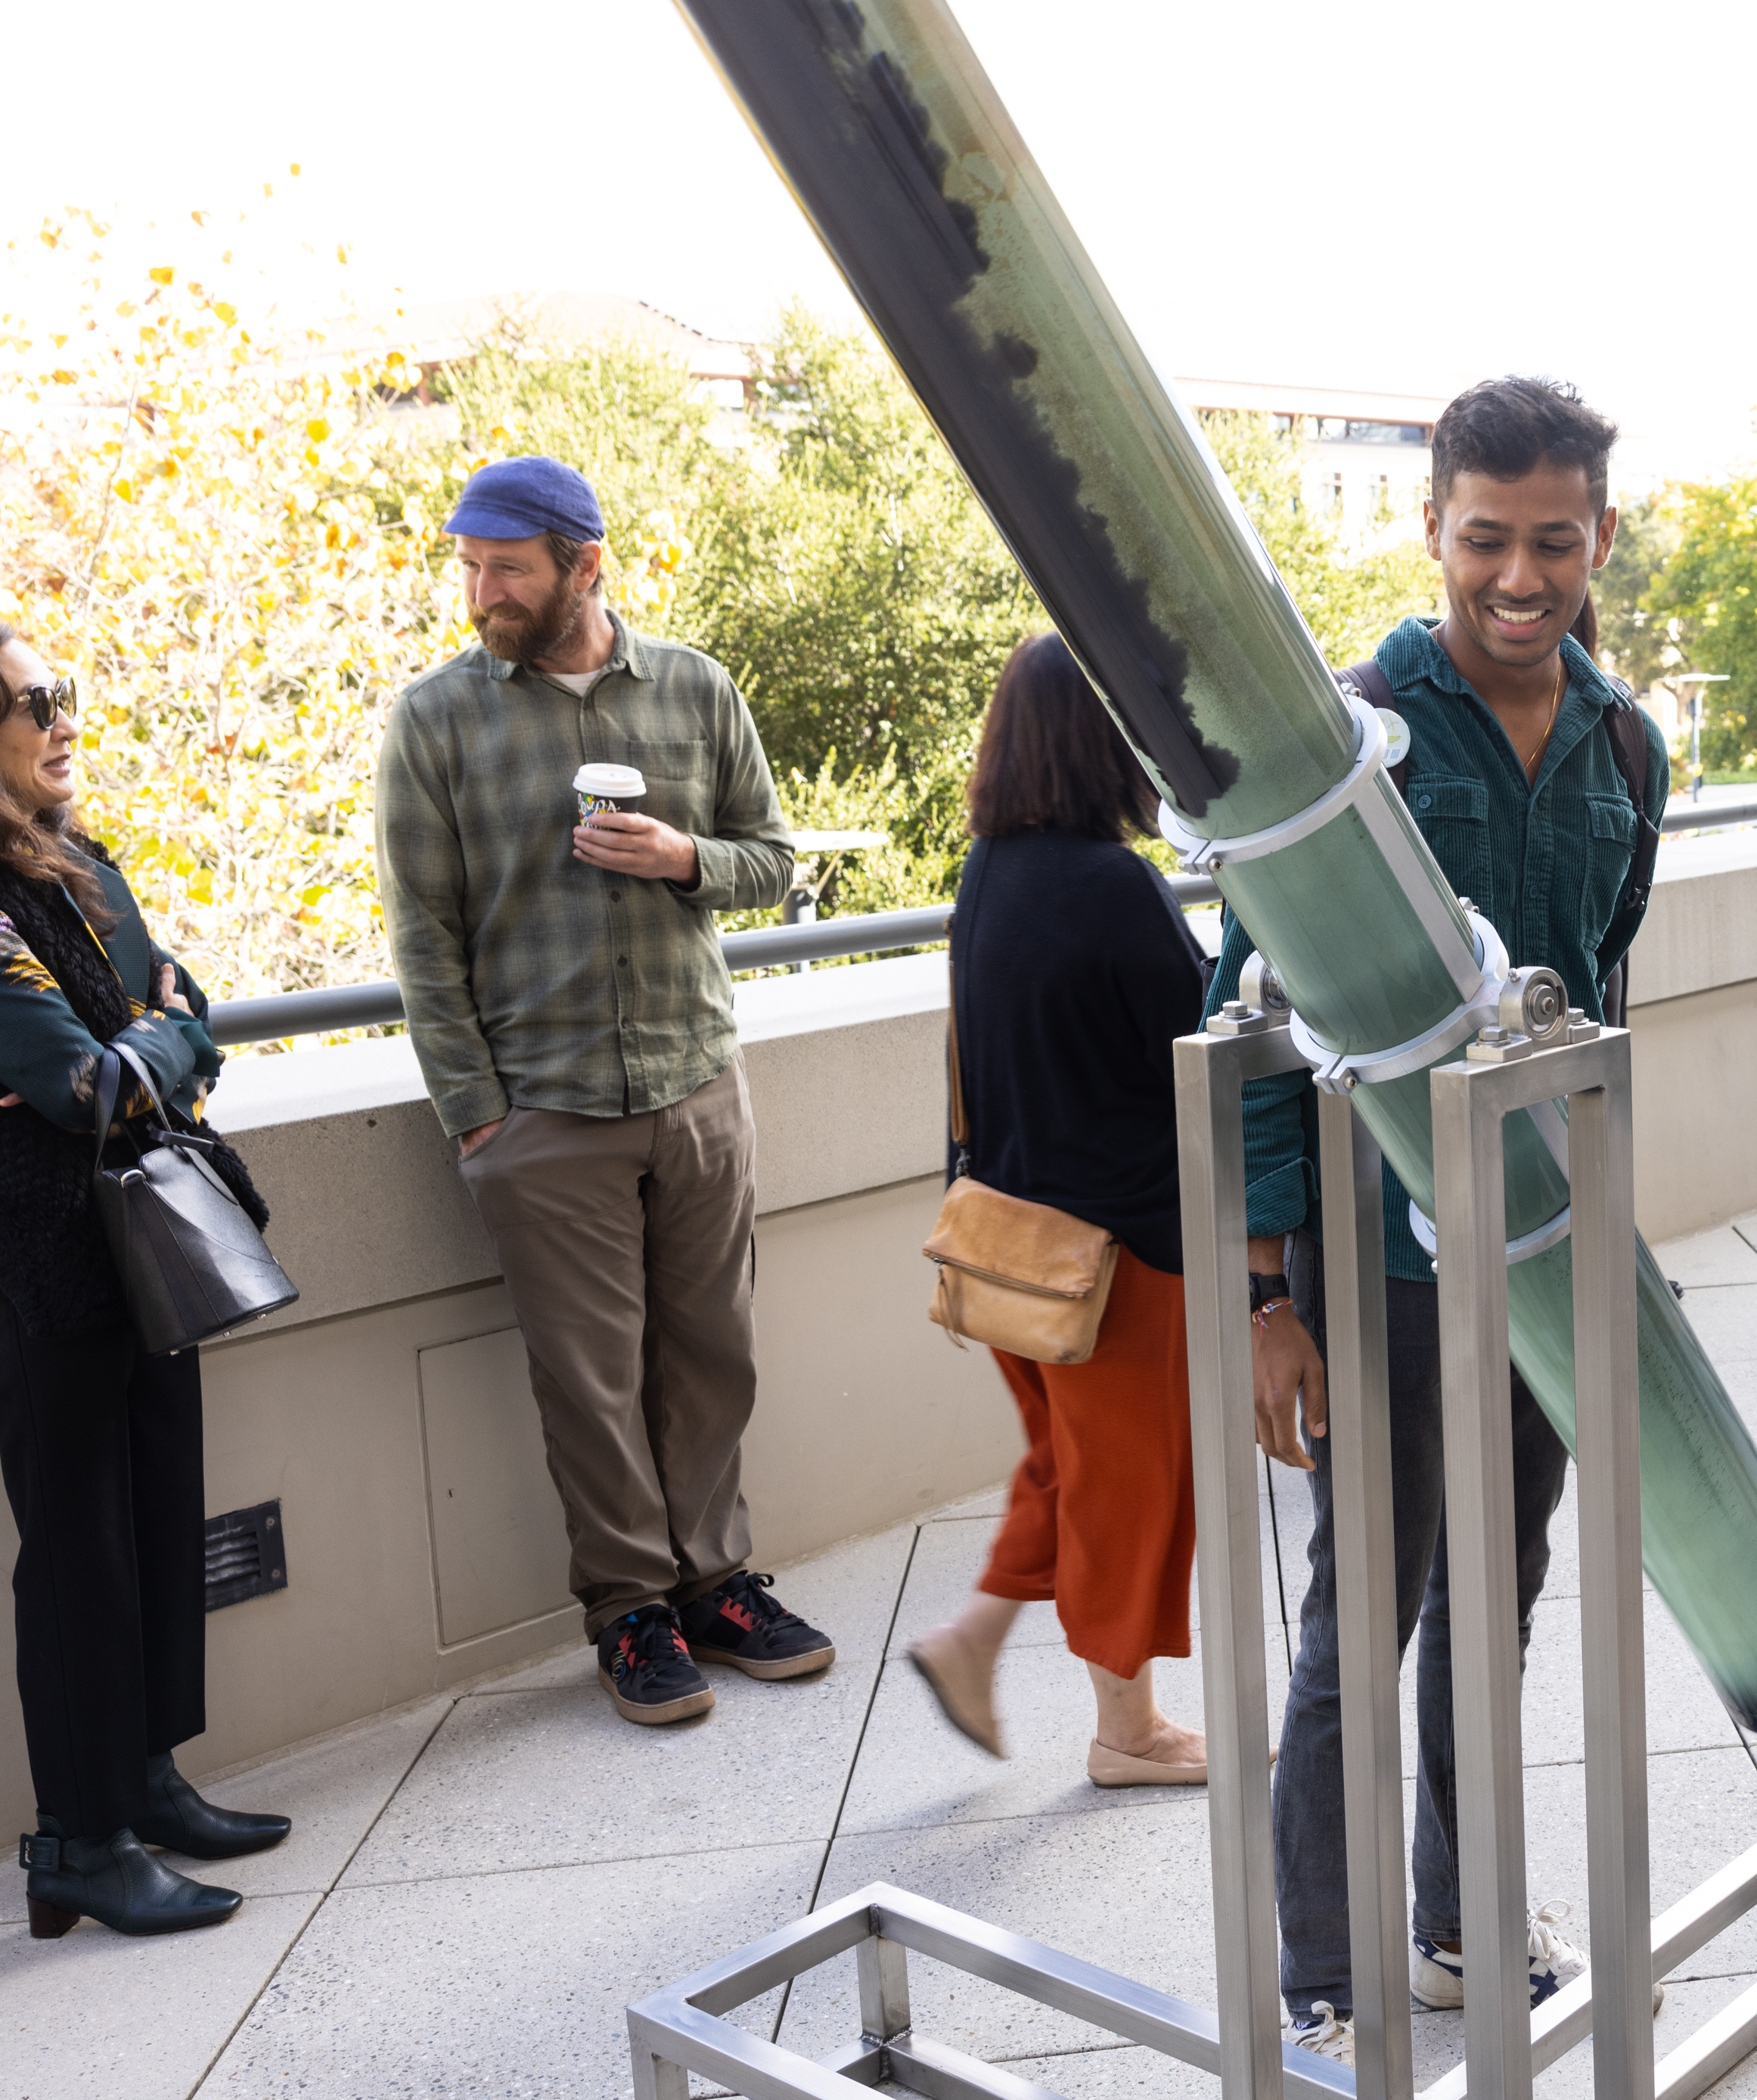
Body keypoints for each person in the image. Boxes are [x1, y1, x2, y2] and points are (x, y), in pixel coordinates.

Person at [1218, 377, 1666, 2086]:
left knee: (1505, 1595)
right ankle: (1324, 1964)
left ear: (1596, 537)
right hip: (1379, 1262)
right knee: (1369, 1607)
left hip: (1544, 1251)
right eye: (1486, 536)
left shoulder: (1626, 738)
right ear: (1432, 531)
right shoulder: (1348, 734)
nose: (1518, 572)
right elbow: (1247, 1006)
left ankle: (1467, 1912)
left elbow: (1604, 980)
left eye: (1552, 539)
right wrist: (1271, 1287)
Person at [375, 455, 834, 1729]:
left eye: (506, 568)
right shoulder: (435, 721)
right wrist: (478, 1111)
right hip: (542, 1107)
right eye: (468, 566)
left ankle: (717, 1583)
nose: (481, 592)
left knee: (713, 1356)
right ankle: (629, 1609)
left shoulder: (696, 688)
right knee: (588, 1382)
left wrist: (686, 857)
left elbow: (776, 861)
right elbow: (422, 933)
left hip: (695, 1081)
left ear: (586, 564)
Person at [0, 626, 289, 1937]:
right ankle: (80, 1835)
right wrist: (154, 1037)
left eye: (61, 696)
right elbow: (84, 1083)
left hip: (143, 1245)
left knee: (161, 1508)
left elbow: (193, 1016)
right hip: (39, 1263)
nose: (63, 721)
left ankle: (150, 1776)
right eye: (32, 703)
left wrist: (156, 1037)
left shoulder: (87, 868)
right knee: (75, 1547)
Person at [903, 634, 1212, 1788]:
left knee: (1063, 1470)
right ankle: (1126, 1733)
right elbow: (1189, 1041)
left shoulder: (987, 874)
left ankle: (968, 1646)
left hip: (1005, 1254)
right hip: (1115, 1263)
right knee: (1128, 1495)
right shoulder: (1111, 884)